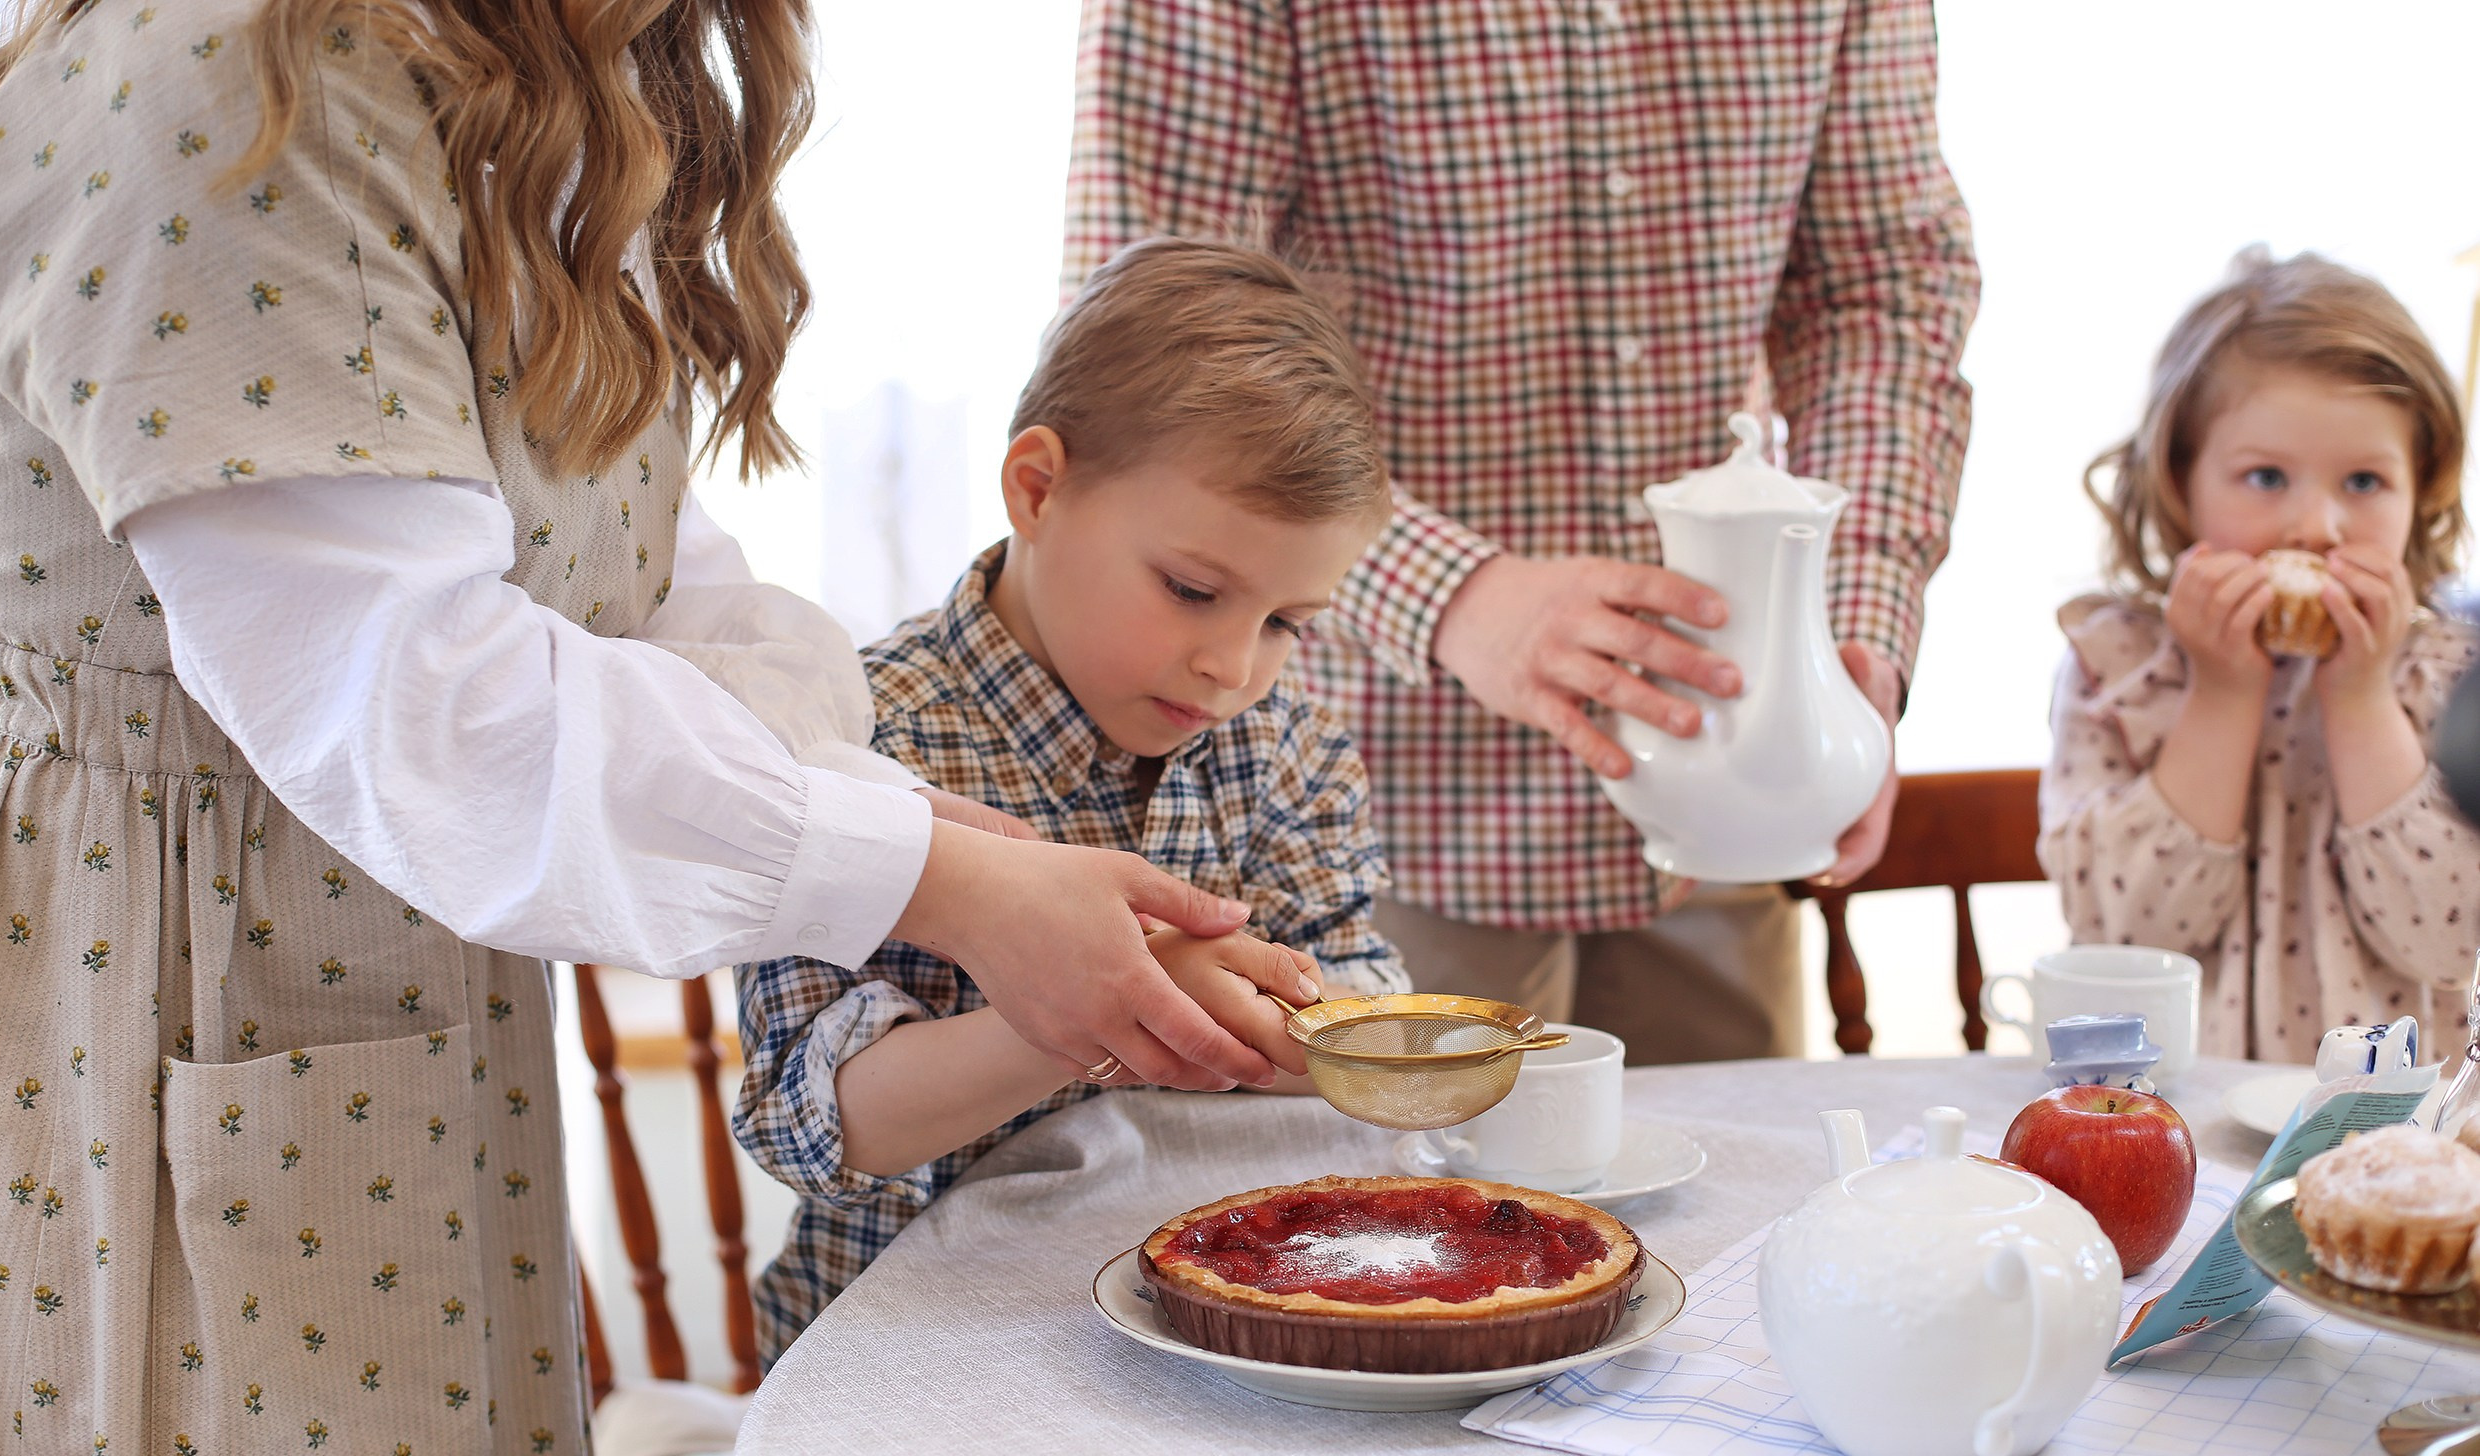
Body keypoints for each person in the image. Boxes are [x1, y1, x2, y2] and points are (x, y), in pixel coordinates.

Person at [0, 5, 1308, 1456]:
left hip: (395, 1023)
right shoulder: (233, 85)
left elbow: (638, 572)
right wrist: (938, 876)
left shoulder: (501, 90)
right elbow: (418, 701)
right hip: (171, 994)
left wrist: (909, 831)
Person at [1064, 0, 1980, 1062]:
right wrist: (1451, 593)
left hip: (1723, 801)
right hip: (1366, 807)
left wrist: (1848, 626)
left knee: (1734, 1168)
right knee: (1385, 1169)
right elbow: (1153, 330)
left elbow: (1884, 294)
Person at [734, 239, 1411, 1358]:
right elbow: (821, 1123)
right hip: (914, 1354)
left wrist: (1259, 1001)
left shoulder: (1287, 746)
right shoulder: (854, 738)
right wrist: (1103, 1004)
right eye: (1191, 589)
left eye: (1287, 622)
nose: (1233, 666)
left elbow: (1368, 1014)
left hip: (1208, 1328)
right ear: (1037, 489)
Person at [2041, 251, 2480, 1063]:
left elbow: (2445, 939)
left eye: (2364, 482)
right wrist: (2220, 694)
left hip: (2388, 1121)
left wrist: (2361, 697)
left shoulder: (2451, 672)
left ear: (2421, 488)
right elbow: (2125, 938)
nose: (2316, 527)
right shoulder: (2119, 666)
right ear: (2181, 480)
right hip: (2168, 1117)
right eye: (2267, 476)